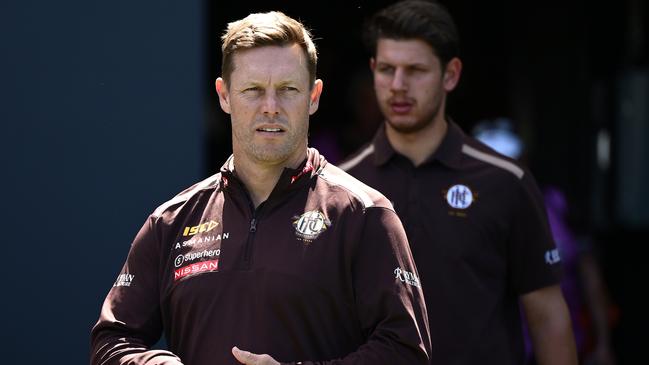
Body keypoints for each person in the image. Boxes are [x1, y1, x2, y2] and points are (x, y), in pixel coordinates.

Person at [90, 11, 430, 365]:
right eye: (253, 90)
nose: (271, 108)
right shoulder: (171, 220)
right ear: (224, 95)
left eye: (288, 90)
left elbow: (405, 350)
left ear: (313, 96)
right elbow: (111, 342)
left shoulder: (364, 214)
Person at [339, 1, 578, 364]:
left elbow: (547, 316)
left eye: (415, 70)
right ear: (373, 70)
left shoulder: (506, 182)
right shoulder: (341, 185)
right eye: (387, 69)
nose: (398, 85)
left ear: (451, 75)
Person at [473, 119, 618, 365]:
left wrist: (604, 344)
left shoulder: (558, 205)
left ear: (524, 161)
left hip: (567, 349)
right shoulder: (460, 213)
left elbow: (590, 277)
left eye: (508, 160)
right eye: (489, 163)